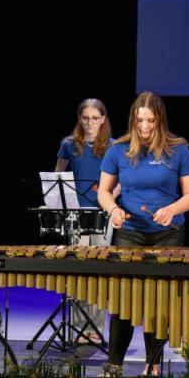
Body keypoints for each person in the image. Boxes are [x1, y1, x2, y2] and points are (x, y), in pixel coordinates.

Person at [97, 92, 189, 376]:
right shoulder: (117, 150)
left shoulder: (179, 151)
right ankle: (114, 366)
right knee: (123, 302)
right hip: (129, 233)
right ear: (133, 119)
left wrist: (171, 209)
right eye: (140, 120)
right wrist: (113, 210)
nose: (144, 127)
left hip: (167, 235)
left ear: (160, 120)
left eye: (150, 121)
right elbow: (104, 191)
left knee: (158, 302)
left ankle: (152, 366)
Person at [54, 99, 114, 344]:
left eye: (95, 118)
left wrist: (110, 199)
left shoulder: (113, 147)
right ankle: (80, 328)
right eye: (86, 118)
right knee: (79, 271)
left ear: (103, 119)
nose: (90, 122)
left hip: (102, 213)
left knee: (98, 271)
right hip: (75, 214)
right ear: (80, 119)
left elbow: (120, 180)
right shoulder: (68, 144)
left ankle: (96, 329)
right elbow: (57, 176)